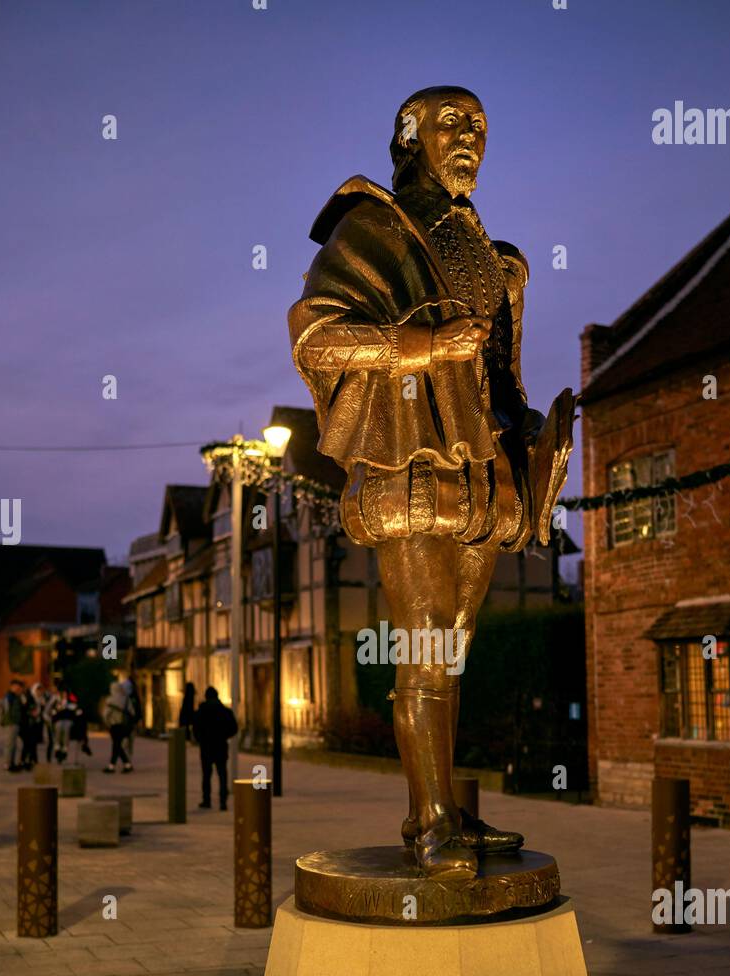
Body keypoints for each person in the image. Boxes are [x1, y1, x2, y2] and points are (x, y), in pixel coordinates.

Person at [288, 86, 572, 880]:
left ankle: (439, 813)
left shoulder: (488, 251)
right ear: (409, 134)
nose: (469, 138)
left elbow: (500, 374)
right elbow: (316, 335)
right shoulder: (372, 225)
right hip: (409, 459)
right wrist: (419, 346)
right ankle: (431, 824)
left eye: (479, 126)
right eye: (452, 123)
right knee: (422, 651)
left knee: (452, 655)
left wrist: (534, 448)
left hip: (483, 473)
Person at [192, 686, 237, 810]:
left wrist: (201, 739)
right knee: (222, 774)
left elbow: (195, 729)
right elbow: (234, 728)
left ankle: (207, 800)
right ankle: (223, 802)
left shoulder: (201, 711)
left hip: (206, 747)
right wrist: (224, 736)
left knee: (206, 775)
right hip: (220, 746)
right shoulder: (225, 711)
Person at [103, 680, 135, 773]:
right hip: (125, 726)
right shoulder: (126, 699)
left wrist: (108, 724)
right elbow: (132, 713)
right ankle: (123, 764)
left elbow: (106, 715)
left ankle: (113, 766)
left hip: (115, 726)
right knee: (117, 745)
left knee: (116, 745)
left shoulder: (110, 700)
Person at [0, 679, 25, 771]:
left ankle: (11, 762)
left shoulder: (16, 696)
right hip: (10, 723)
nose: (19, 688)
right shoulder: (9, 696)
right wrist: (4, 721)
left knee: (13, 744)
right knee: (9, 744)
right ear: (13, 686)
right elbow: (5, 710)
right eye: (17, 686)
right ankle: (7, 764)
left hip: (16, 722)